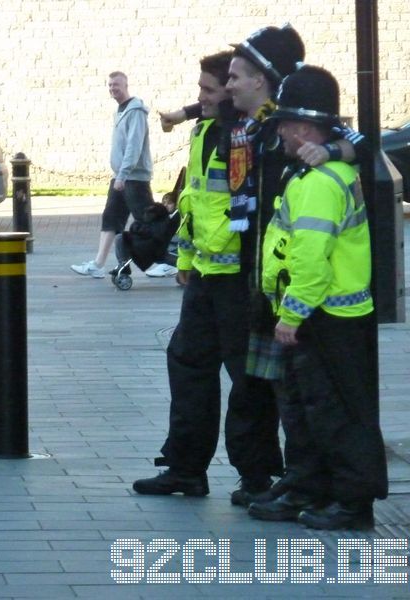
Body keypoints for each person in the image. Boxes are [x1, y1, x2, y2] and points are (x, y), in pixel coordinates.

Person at [246, 66, 386, 529]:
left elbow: (310, 258)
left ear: (305, 127)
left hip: (324, 316)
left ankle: (350, 501)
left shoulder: (319, 183)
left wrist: (292, 313)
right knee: (311, 409)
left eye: (286, 123)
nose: (280, 130)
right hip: (326, 315)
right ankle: (312, 489)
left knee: (334, 413)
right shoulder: (320, 173)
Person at [133, 51, 271, 496]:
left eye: (209, 89)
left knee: (246, 378)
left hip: (240, 281)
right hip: (205, 278)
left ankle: (256, 476)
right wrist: (187, 263)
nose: (201, 97)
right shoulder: (206, 132)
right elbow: (194, 204)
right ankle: (186, 468)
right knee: (188, 363)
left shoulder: (251, 135)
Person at [71, 71, 154, 279]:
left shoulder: (136, 111)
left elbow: (134, 146)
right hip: (121, 177)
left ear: (126, 85)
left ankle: (165, 262)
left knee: (147, 222)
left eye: (116, 84)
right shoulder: (119, 111)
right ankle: (98, 264)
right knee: (110, 218)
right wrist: (120, 175)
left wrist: (123, 174)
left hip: (133, 179)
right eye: (109, 85)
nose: (112, 88)